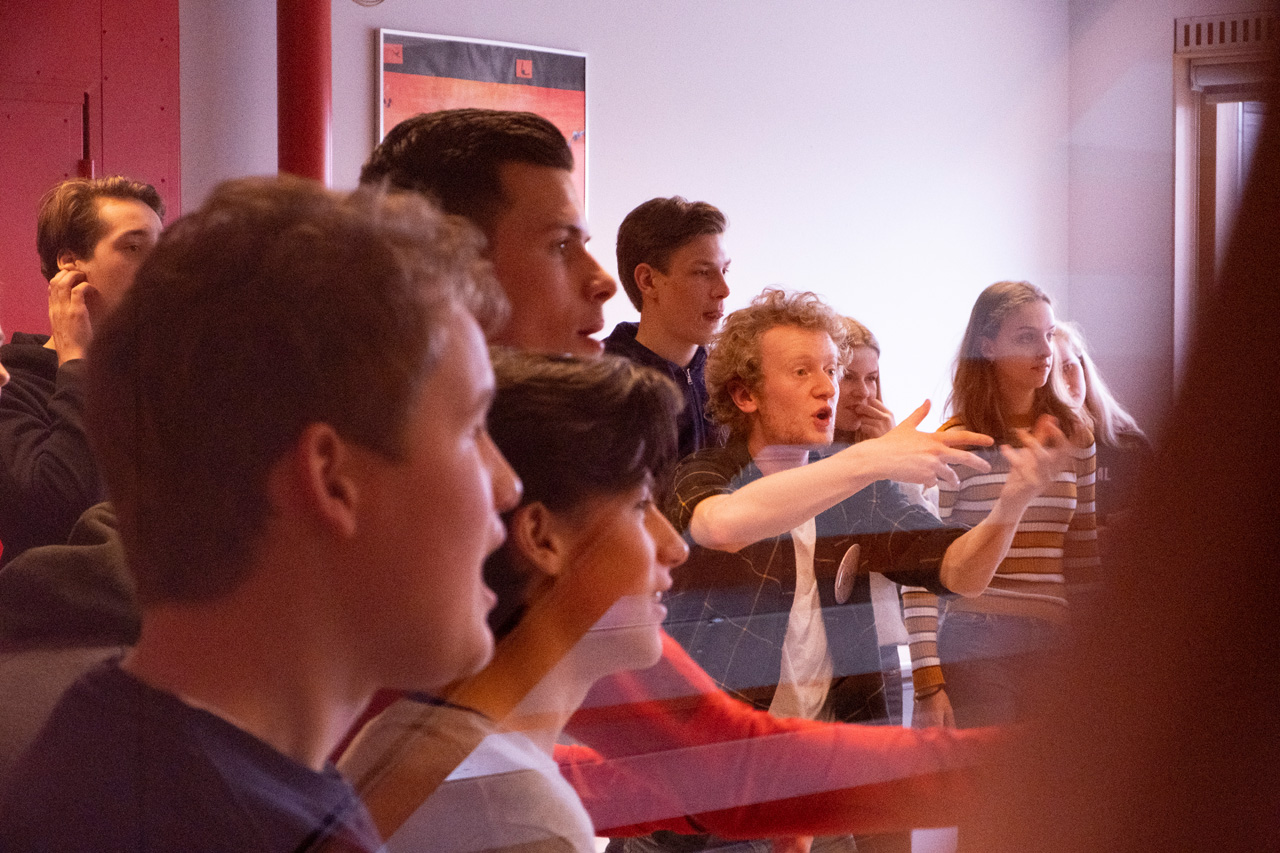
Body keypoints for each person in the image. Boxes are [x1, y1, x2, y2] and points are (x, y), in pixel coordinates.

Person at [354, 108, 1011, 844]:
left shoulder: (512, 494)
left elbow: (695, 766)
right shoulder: (387, 512)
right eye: (560, 245)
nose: (601, 281)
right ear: (446, 271)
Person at [0, 175, 521, 851]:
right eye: (472, 428)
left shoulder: (120, 751)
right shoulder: (226, 825)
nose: (507, 484)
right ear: (330, 478)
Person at [648, 288, 1069, 853]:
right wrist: (867, 459)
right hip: (713, 787)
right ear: (745, 394)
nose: (828, 387)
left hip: (820, 779)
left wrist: (1011, 505)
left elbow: (960, 572)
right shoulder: (704, 473)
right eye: (802, 371)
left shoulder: (858, 489)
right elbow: (722, 526)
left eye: (830, 369)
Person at [340, 352, 691, 852]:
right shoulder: (518, 818)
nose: (674, 547)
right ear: (542, 538)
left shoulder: (404, 734)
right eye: (640, 506)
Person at [902, 281, 1097, 730]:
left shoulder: (1075, 437)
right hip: (977, 635)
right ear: (987, 346)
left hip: (1056, 642)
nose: (1045, 351)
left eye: (1049, 335)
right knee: (991, 770)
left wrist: (1096, 656)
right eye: (1026, 337)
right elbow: (920, 569)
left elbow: (1083, 555)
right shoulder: (958, 440)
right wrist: (928, 681)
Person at [0, 176, 163, 566]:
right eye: (133, 247)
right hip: (60, 602)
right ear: (70, 264)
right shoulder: (11, 385)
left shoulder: (159, 386)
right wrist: (77, 359)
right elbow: (58, 506)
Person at [605, 196, 731, 461]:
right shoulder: (601, 387)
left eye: (724, 271)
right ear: (648, 281)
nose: (723, 290)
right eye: (702, 272)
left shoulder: (732, 378)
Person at [1052, 321, 1152, 534]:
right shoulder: (1027, 453)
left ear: (1083, 367)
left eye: (1067, 368)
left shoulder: (1130, 446)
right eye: (1051, 375)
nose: (1063, 384)